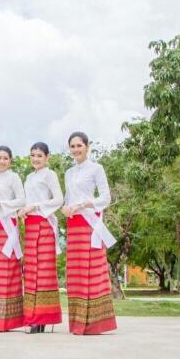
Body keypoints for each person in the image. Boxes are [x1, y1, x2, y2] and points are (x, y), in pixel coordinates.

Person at [62, 131, 118, 335]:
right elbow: (68, 198)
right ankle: (77, 322)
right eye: (72, 146)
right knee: (76, 271)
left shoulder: (96, 168)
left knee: (92, 269)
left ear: (87, 146)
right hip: (73, 224)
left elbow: (106, 198)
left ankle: (95, 323)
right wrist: (66, 208)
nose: (76, 150)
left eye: (79, 146)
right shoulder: (68, 172)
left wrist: (85, 203)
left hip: (89, 223)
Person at [19, 142, 64, 333]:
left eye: (39, 155)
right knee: (31, 271)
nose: (35, 159)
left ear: (47, 157)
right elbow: (26, 201)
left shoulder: (50, 174)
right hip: (30, 226)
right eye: (32, 155)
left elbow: (59, 199)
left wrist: (35, 206)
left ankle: (43, 317)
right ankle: (31, 316)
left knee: (43, 271)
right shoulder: (29, 177)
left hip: (44, 225)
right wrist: (23, 210)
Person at [0, 145, 27, 332]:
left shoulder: (14, 177)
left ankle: (9, 321)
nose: (1, 161)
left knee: (8, 269)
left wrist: (0, 204)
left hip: (7, 226)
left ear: (10, 160)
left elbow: (22, 200)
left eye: (5, 158)